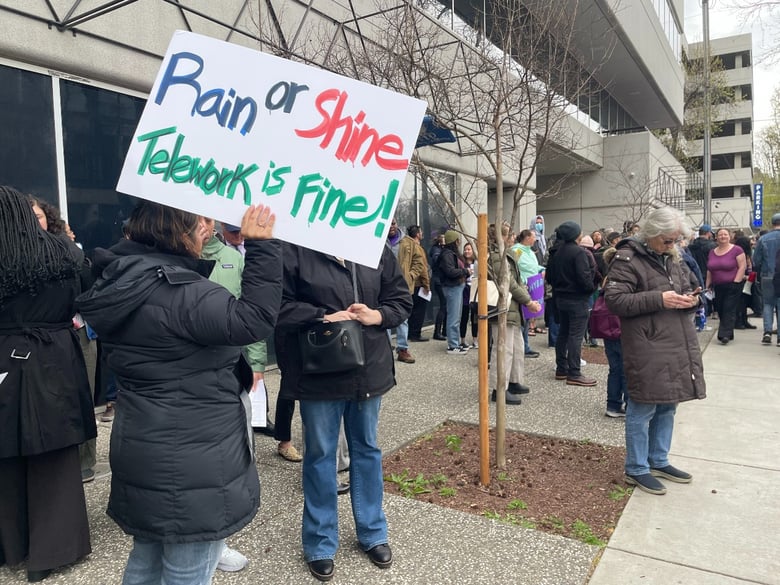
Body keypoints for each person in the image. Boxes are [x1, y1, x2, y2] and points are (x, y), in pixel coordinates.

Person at [76, 202, 282, 585]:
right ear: (176, 227)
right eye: (201, 219)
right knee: (188, 570)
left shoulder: (123, 280)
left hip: (144, 444)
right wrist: (264, 247)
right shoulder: (182, 293)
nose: (210, 226)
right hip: (192, 457)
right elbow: (253, 320)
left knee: (147, 558)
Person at [273, 242, 412, 582]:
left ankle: (373, 532)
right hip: (319, 371)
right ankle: (320, 542)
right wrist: (320, 317)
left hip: (369, 368)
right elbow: (276, 308)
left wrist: (377, 315)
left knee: (367, 450)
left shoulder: (373, 248)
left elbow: (401, 299)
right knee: (320, 456)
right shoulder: (295, 250)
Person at [0, 185, 97, 583]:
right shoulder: (64, 252)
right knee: (53, 455)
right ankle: (52, 549)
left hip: (4, 355)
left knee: (5, 455)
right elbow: (86, 298)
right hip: (53, 355)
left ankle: (11, 545)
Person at [199, 216, 289, 572]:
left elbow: (249, 314)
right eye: (199, 217)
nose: (204, 224)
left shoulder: (234, 258)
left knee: (229, 457)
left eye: (208, 217)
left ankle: (216, 541)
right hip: (187, 377)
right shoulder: (168, 260)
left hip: (229, 369)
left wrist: (256, 362)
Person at [604, 206, 706, 495]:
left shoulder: (672, 257)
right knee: (644, 404)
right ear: (651, 235)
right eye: (668, 240)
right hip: (646, 343)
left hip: (675, 339)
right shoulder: (628, 259)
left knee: (668, 403)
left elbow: (690, 288)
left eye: (675, 240)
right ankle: (636, 468)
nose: (672, 245)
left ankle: (658, 459)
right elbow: (615, 301)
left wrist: (693, 301)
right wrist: (659, 299)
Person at [489, 223, 541, 405]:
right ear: (502, 237)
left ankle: (513, 381)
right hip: (503, 307)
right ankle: (499, 389)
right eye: (510, 235)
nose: (513, 238)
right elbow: (508, 282)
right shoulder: (497, 256)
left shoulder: (506, 255)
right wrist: (528, 300)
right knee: (504, 350)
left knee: (516, 348)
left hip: (512, 307)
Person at [546, 221, 597, 386]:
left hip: (560, 298)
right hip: (577, 299)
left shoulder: (556, 252)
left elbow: (549, 277)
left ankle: (562, 367)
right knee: (575, 336)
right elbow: (584, 278)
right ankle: (574, 372)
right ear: (576, 235)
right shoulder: (578, 253)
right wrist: (590, 288)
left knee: (563, 333)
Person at [705, 228, 746, 345]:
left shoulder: (737, 250)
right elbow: (710, 270)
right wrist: (707, 284)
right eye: (720, 235)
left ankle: (723, 335)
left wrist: (736, 281)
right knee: (721, 309)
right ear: (716, 237)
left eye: (725, 234)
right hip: (718, 285)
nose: (723, 236)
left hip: (733, 285)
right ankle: (729, 332)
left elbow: (742, 266)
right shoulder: (712, 252)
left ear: (730, 236)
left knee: (729, 308)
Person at [511, 229, 545, 356]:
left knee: (527, 318)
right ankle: (521, 347)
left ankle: (524, 346)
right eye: (533, 236)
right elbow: (516, 267)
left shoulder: (530, 252)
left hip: (532, 286)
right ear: (527, 238)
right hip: (523, 286)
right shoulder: (518, 250)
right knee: (523, 319)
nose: (535, 239)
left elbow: (533, 267)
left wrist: (541, 269)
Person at [398, 225, 431, 353]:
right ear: (417, 234)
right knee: (417, 311)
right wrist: (426, 284)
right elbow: (422, 268)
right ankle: (414, 334)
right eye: (421, 232)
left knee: (411, 311)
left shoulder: (408, 244)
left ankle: (409, 336)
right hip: (415, 284)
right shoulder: (415, 246)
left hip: (411, 282)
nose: (422, 234)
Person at [438, 230, 471, 354]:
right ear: (455, 241)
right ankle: (453, 345)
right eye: (458, 240)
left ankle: (455, 342)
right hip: (452, 287)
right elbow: (450, 271)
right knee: (453, 317)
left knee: (456, 316)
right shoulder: (447, 254)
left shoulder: (450, 253)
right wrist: (465, 272)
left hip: (457, 286)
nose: (459, 242)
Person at [752, 213, 780, 345]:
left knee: (768, 304)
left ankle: (767, 332)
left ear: (772, 223)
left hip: (767, 275)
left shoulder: (763, 239)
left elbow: (756, 260)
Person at [428, 233, 447, 340]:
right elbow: (436, 260)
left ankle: (444, 330)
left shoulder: (438, 249)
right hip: (439, 280)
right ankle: (437, 331)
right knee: (443, 305)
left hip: (440, 280)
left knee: (445, 306)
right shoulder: (436, 250)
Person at [460, 241, 479, 348]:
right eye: (465, 249)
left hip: (475, 291)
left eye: (469, 249)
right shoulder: (461, 262)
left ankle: (475, 339)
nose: (467, 251)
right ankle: (462, 339)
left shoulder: (477, 262)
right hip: (465, 291)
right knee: (464, 315)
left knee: (475, 317)